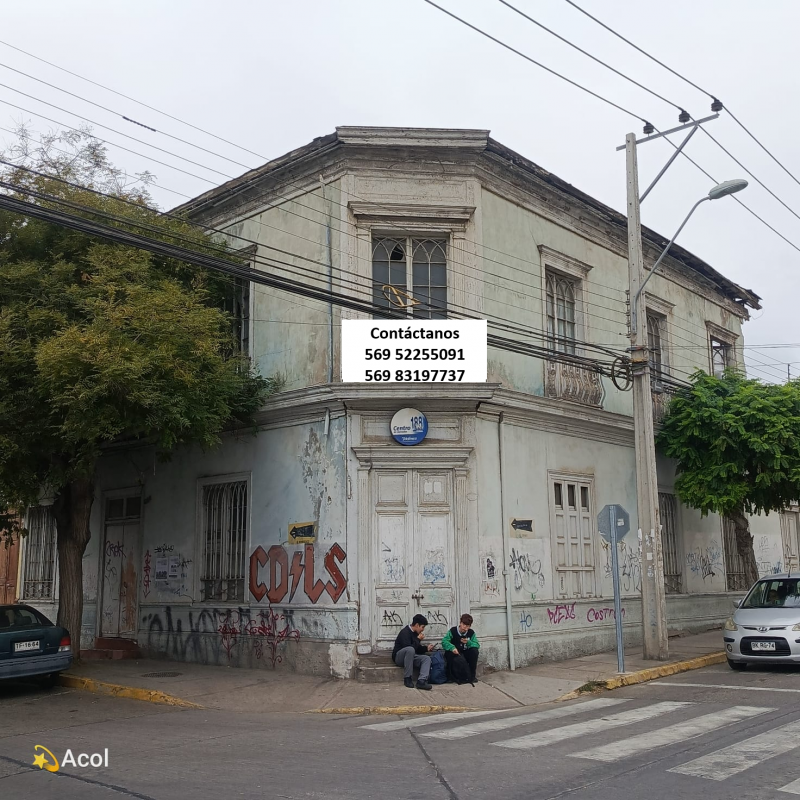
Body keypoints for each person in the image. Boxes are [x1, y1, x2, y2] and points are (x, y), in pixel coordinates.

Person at [392, 614, 434, 690]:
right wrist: (418, 640)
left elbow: (416, 649)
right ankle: (407, 678)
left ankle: (421, 681)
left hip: (410, 657)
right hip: (400, 658)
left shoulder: (415, 634)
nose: (423, 629)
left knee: (426, 659)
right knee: (410, 650)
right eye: (422, 627)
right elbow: (409, 648)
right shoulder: (405, 632)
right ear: (417, 625)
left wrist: (426, 648)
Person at [442, 613, 480, 684]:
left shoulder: (471, 633)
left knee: (474, 651)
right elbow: (444, 641)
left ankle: (472, 676)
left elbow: (477, 645)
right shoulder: (453, 631)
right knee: (449, 654)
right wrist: (452, 647)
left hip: (465, 653)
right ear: (460, 623)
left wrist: (469, 642)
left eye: (467, 626)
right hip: (455, 653)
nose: (465, 628)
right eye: (464, 625)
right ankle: (450, 676)